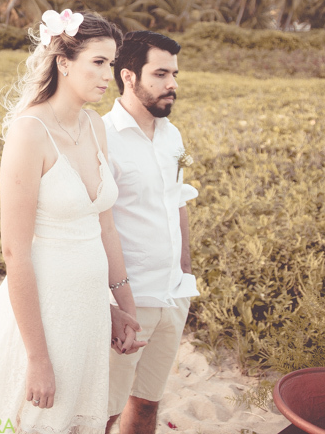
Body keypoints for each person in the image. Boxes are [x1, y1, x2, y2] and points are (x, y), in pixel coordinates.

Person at [0, 9, 144, 434]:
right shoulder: (29, 133)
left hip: (87, 311)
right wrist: (37, 359)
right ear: (64, 62)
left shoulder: (95, 126)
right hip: (41, 313)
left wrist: (122, 308)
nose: (108, 75)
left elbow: (106, 228)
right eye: (98, 62)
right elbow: (15, 252)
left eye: (112, 64)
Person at [102, 31, 197, 434]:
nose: (172, 84)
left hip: (173, 294)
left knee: (146, 404)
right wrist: (108, 303)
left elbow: (178, 203)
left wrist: (185, 273)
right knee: (102, 410)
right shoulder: (103, 137)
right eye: (160, 73)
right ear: (128, 76)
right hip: (129, 301)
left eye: (174, 73)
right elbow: (96, 224)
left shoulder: (171, 134)